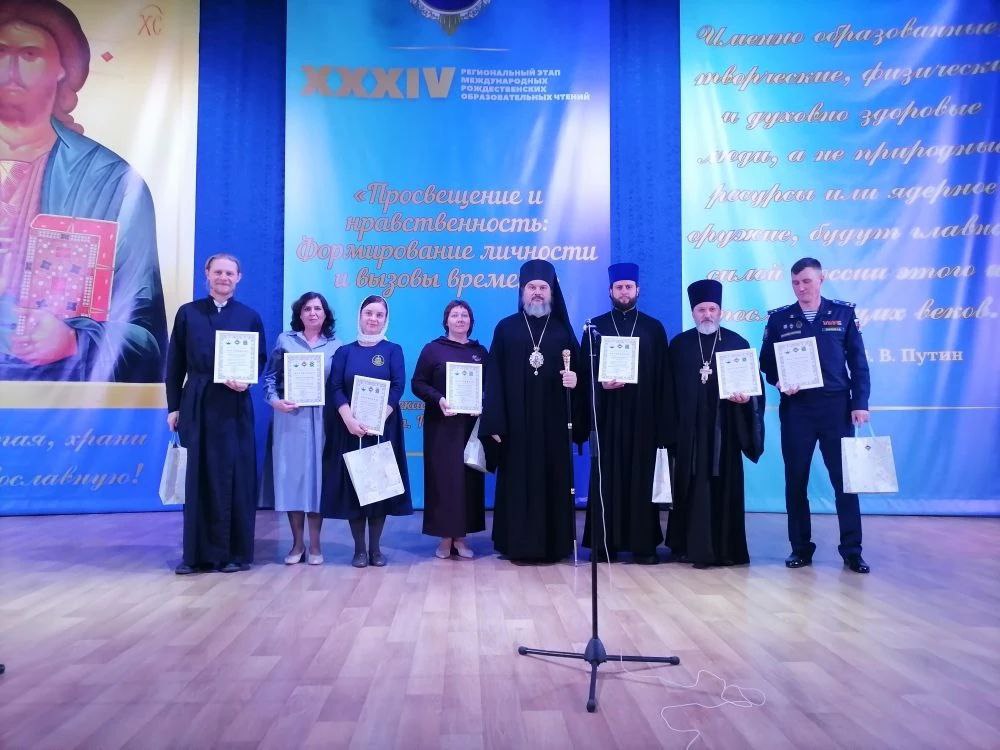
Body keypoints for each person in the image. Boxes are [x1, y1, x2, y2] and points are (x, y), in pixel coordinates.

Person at [0, 0, 167, 382]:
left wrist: (74, 340)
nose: (10, 68)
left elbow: (147, 339)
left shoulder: (112, 182)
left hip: (56, 393)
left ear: (63, 68)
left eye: (29, 54)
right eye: (1, 51)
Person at [760, 257, 871, 574]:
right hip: (797, 409)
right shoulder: (780, 319)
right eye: (795, 282)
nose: (801, 288)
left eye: (806, 281)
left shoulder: (843, 313)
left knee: (844, 482)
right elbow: (767, 362)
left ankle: (852, 551)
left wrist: (860, 402)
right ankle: (800, 548)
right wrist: (779, 382)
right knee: (796, 480)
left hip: (836, 408)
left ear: (821, 280)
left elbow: (858, 362)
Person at [480, 259, 588, 562]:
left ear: (551, 291)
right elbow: (494, 378)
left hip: (553, 425)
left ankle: (554, 545)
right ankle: (516, 544)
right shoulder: (506, 328)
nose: (537, 292)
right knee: (517, 482)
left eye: (542, 287)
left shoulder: (563, 331)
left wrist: (575, 380)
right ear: (522, 291)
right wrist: (495, 423)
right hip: (515, 425)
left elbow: (581, 375)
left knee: (553, 480)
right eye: (532, 287)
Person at [165, 254, 266, 575]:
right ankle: (195, 556)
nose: (224, 277)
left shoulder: (249, 317)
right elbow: (174, 363)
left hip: (235, 406)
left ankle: (235, 554)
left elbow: (259, 359)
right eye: (218, 272)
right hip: (197, 402)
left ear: (239, 277)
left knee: (236, 476)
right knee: (197, 477)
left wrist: (247, 380)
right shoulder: (188, 313)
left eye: (229, 273)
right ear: (207, 274)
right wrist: (173, 406)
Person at [666, 279, 764, 568]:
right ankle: (686, 547)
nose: (707, 315)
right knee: (690, 486)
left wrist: (746, 400)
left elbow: (754, 390)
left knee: (724, 486)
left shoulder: (737, 343)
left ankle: (726, 549)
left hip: (725, 433)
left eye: (712, 309)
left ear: (720, 311)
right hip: (690, 434)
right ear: (693, 312)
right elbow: (667, 391)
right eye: (701, 310)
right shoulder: (679, 345)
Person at [580, 262, 674, 564]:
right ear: (610, 291)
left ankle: (643, 545)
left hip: (644, 418)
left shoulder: (653, 328)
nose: (624, 292)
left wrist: (663, 425)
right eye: (619, 287)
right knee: (605, 477)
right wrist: (600, 383)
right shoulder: (594, 327)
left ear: (638, 290)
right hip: (607, 417)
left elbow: (664, 378)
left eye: (628, 287)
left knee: (641, 478)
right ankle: (602, 544)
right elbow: (583, 372)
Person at [321, 295, 412, 567]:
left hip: (383, 428)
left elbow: (398, 386)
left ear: (386, 319)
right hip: (351, 429)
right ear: (359, 316)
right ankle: (359, 549)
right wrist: (348, 418)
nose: (373, 319)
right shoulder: (344, 352)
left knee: (379, 487)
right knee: (355, 487)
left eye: (379, 315)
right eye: (368, 313)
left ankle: (375, 549)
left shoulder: (393, 350)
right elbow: (335, 387)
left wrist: (380, 417)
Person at [261, 292, 341, 565]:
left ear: (325, 314)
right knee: (293, 480)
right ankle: (297, 545)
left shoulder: (336, 346)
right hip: (291, 418)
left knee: (317, 483)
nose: (313, 313)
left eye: (318, 308)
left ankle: (316, 546)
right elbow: (270, 377)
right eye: (307, 308)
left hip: (324, 421)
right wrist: (275, 401)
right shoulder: (285, 340)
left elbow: (340, 385)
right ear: (299, 313)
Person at [411, 300, 489, 559]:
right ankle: (445, 538)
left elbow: (490, 385)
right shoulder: (433, 349)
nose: (460, 319)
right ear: (446, 321)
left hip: (471, 427)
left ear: (471, 321)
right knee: (444, 480)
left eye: (464, 315)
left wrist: (482, 401)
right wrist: (439, 399)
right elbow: (418, 383)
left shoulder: (480, 352)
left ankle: (462, 538)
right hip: (441, 425)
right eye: (455, 315)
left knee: (468, 480)